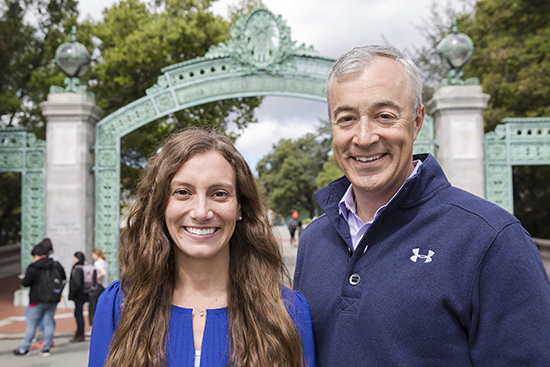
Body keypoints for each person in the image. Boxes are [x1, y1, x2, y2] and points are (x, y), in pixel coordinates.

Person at [293, 45, 550, 366]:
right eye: (346, 119)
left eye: (384, 116)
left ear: (417, 122)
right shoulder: (315, 239)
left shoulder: (493, 240)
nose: (363, 136)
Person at [89, 129, 316, 367]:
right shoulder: (120, 305)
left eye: (219, 194)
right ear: (161, 204)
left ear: (240, 206)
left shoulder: (287, 310)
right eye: (182, 192)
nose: (201, 212)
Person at [13, 243, 66, 357]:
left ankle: (24, 348)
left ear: (37, 255)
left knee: (32, 323)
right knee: (48, 322)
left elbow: (26, 283)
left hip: (37, 299)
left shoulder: (34, 267)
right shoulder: (55, 264)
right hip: (52, 298)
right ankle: (46, 348)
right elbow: (63, 278)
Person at [69, 251, 89, 342]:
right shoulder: (84, 267)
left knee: (78, 313)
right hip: (84, 293)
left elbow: (77, 283)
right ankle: (80, 332)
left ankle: (80, 332)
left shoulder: (77, 268)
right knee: (78, 312)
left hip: (78, 294)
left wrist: (72, 292)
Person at [88, 247, 108, 326]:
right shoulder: (104, 262)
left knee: (92, 307)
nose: (92, 256)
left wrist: (98, 278)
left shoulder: (98, 263)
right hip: (103, 286)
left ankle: (92, 327)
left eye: (93, 255)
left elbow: (103, 273)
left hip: (98, 286)